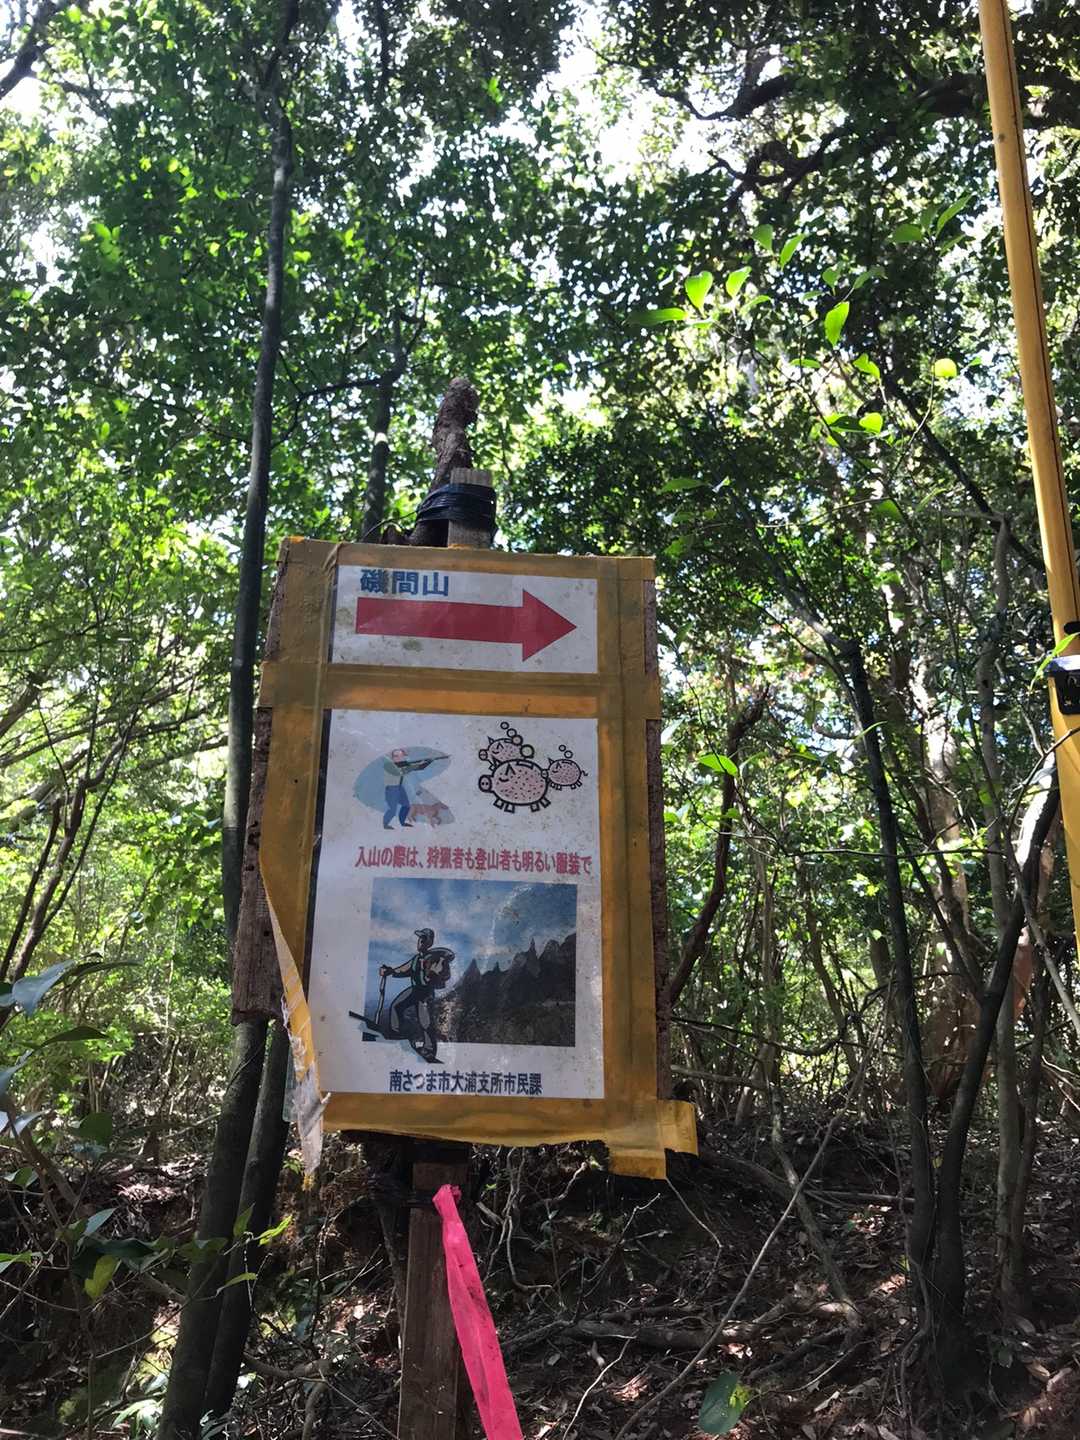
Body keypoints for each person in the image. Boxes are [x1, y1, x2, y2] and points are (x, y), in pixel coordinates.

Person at [382, 927, 454, 1062]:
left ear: (430, 942)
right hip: (415, 989)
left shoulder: (437, 959)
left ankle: (429, 1050)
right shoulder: (416, 959)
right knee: (396, 1006)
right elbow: (404, 969)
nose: (420, 941)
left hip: (426, 992)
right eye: (420, 938)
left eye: (424, 938)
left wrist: (436, 973)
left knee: (425, 1021)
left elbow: (446, 974)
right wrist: (390, 971)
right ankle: (396, 1035)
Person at [383, 748, 446, 829]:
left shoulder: (404, 764)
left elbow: (419, 767)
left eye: (402, 756)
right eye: (396, 756)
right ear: (392, 758)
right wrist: (415, 765)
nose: (399, 758)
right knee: (392, 809)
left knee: (406, 806)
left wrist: (429, 761)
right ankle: (385, 824)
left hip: (400, 788)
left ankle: (402, 822)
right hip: (391, 789)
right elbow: (401, 772)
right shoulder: (388, 765)